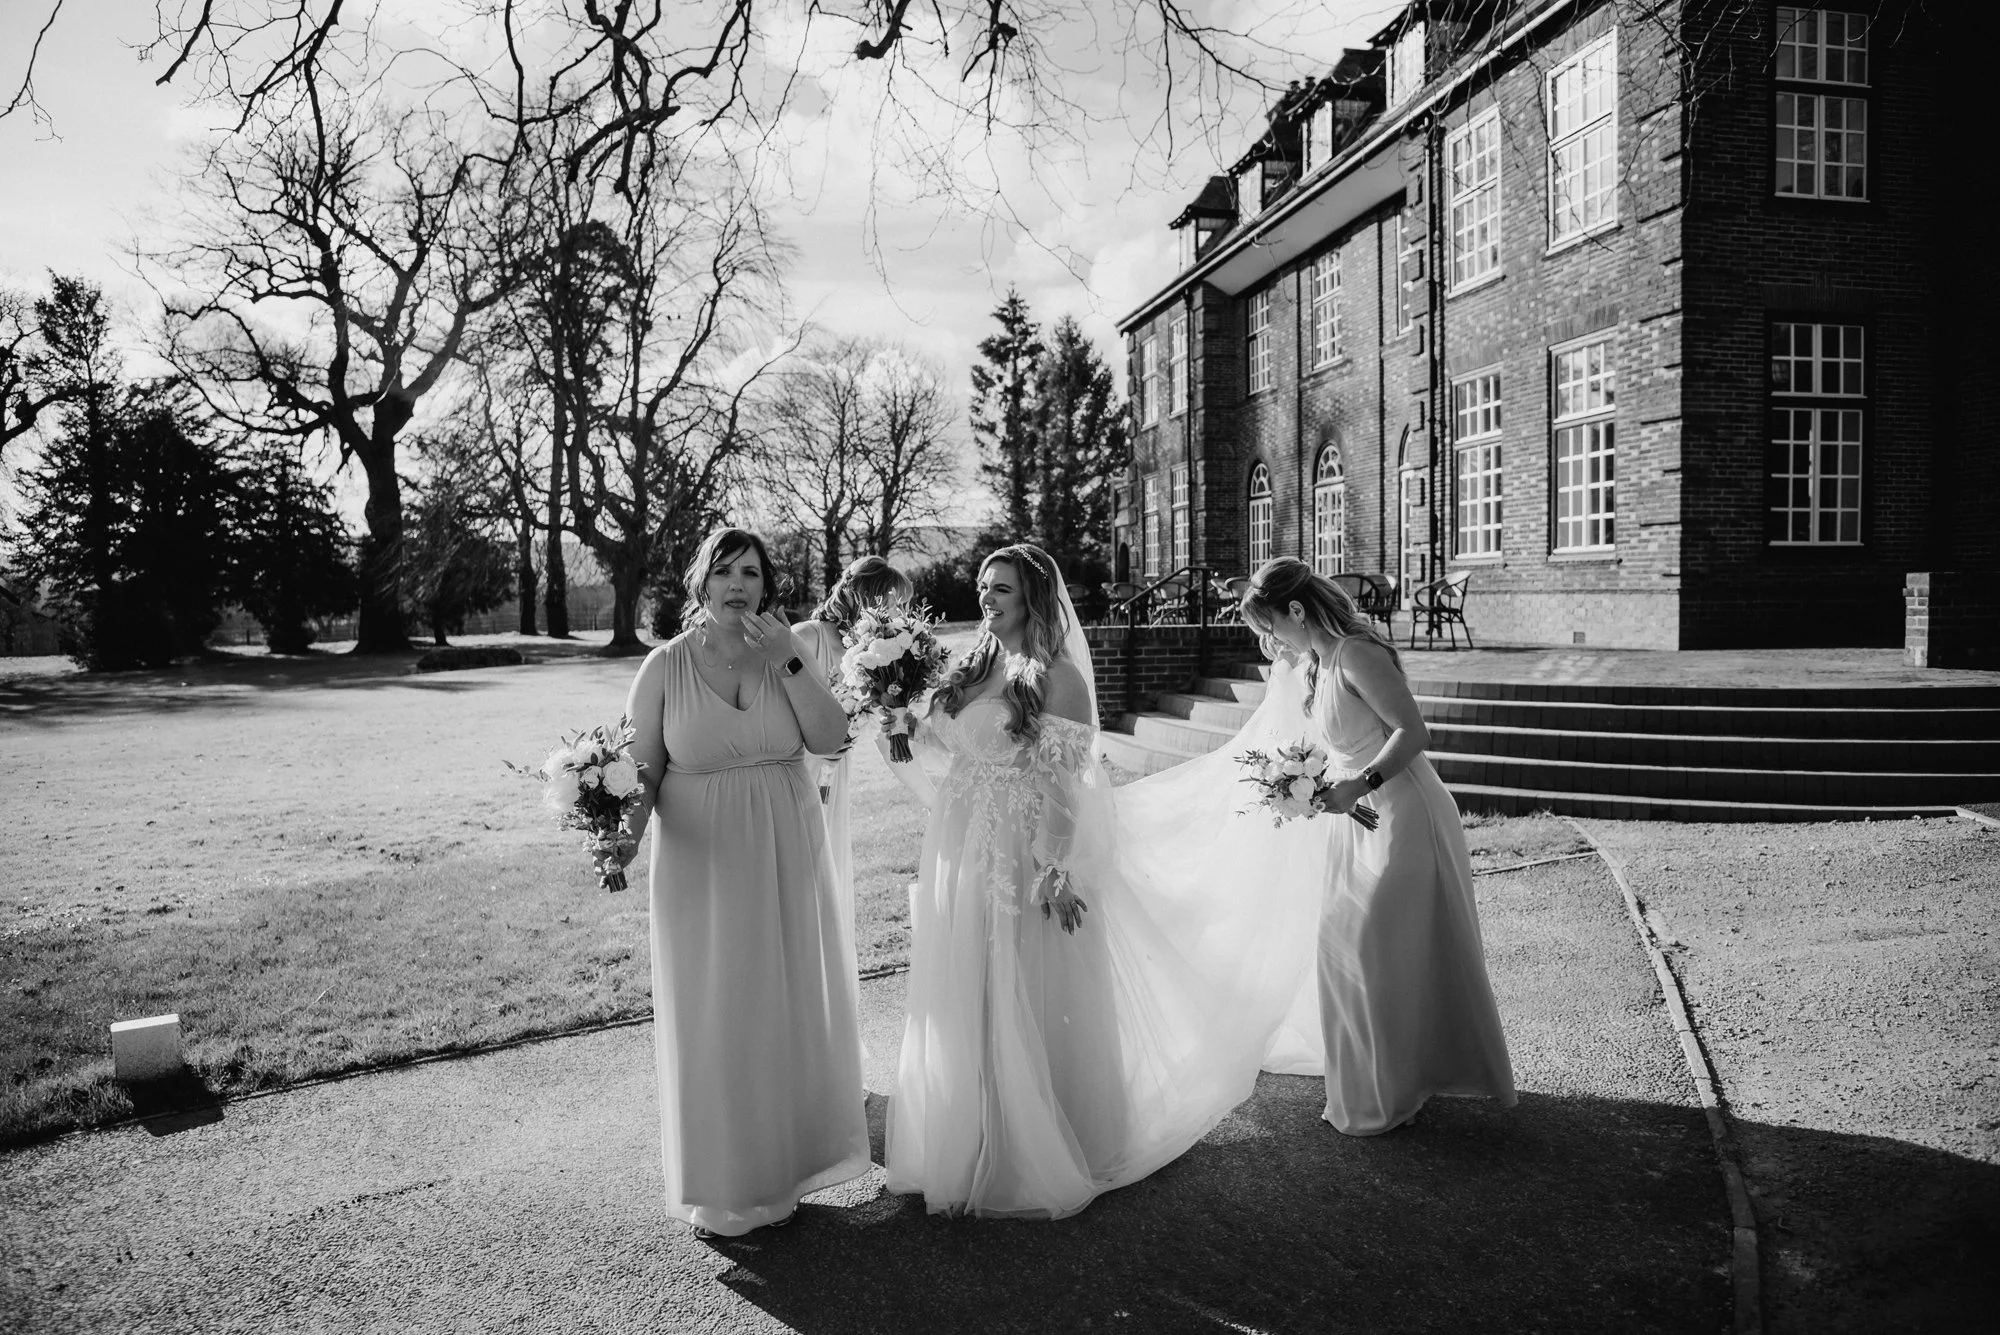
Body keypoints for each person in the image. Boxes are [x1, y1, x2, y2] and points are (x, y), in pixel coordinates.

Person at [882, 544, 1301, 1219]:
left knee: (1018, 979)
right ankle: (973, 1130)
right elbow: (949, 748)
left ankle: (1041, 1138)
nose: (987, 599)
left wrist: (1057, 867)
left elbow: (1067, 786)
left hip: (1019, 853)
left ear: (1034, 600)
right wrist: (901, 720)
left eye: (1004, 590)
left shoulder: (1059, 678)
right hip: (958, 846)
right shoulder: (968, 664)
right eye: (984, 587)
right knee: (966, 982)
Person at [617, 527, 871, 1238]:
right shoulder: (664, 667)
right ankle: (725, 1181)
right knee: (717, 1012)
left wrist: (785, 657)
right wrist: (624, 841)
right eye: (724, 571)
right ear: (701, 582)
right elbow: (642, 772)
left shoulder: (788, 650)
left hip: (787, 853)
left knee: (782, 1005)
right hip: (702, 864)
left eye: (751, 573)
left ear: (767, 585)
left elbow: (829, 738)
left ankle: (786, 1169)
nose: (738, 584)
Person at [1239, 557, 1515, 1135]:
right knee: (1344, 951)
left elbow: (1412, 732)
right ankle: (1383, 1085)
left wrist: (1359, 783)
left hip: (1404, 812)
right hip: (1356, 820)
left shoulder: (1357, 654)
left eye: (1271, 625)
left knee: (1378, 949)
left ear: (1296, 610)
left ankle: (1397, 1089)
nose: (1270, 640)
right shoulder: (1316, 663)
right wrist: (1300, 779)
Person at [790, 555, 915, 930]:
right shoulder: (807, 636)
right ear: (865, 597)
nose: (896, 613)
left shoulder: (872, 653)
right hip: (797, 768)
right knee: (797, 867)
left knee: (828, 870)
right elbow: (774, 709)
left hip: (835, 774)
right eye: (891, 602)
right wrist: (816, 743)